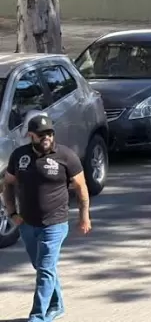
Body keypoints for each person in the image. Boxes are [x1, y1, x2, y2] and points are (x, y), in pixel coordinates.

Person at [3, 114, 93, 322]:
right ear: (31, 135)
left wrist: (84, 216)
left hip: (55, 224)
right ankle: (57, 305)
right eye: (41, 134)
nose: (47, 138)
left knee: (45, 269)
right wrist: (12, 213)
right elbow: (8, 184)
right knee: (44, 267)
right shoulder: (20, 156)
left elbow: (81, 187)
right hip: (27, 223)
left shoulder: (65, 156)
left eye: (50, 133)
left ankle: (37, 316)